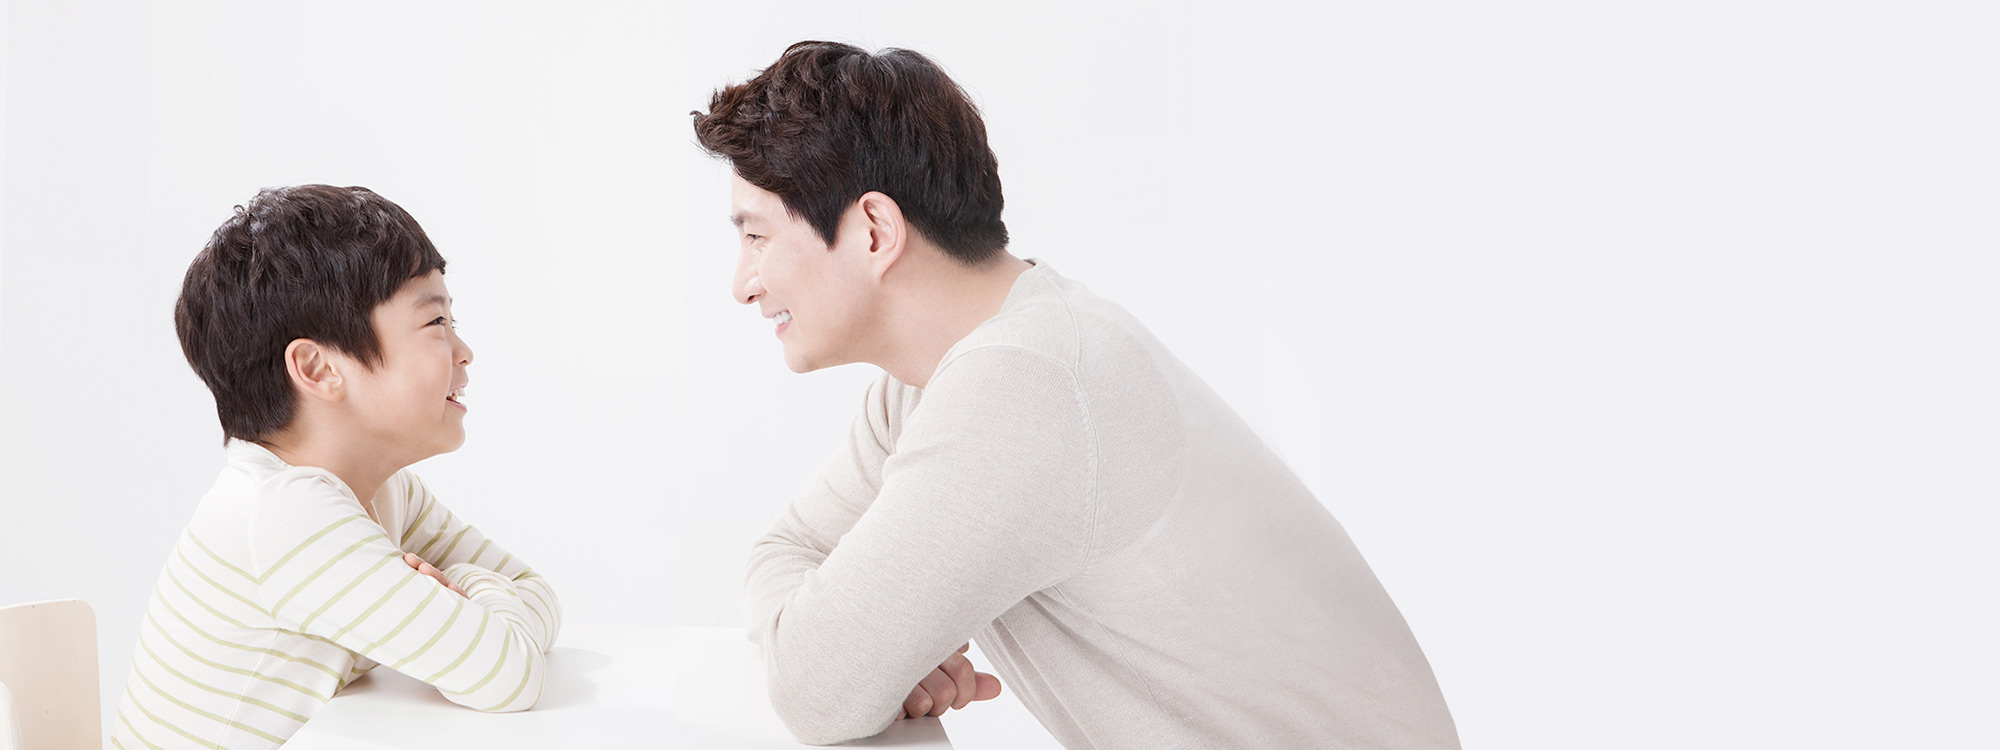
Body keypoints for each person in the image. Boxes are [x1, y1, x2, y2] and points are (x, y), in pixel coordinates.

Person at [691, 41, 1460, 748]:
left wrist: (858, 659)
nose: (742, 284)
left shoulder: (1028, 383)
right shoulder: (941, 379)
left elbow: (813, 689)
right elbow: (787, 553)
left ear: (873, 231)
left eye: (757, 236)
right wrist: (865, 659)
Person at [109, 185, 560, 749]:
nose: (463, 350)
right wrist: (471, 594)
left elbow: (535, 593)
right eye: (435, 322)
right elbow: (507, 674)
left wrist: (464, 591)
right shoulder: (288, 513)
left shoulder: (386, 492)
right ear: (319, 368)